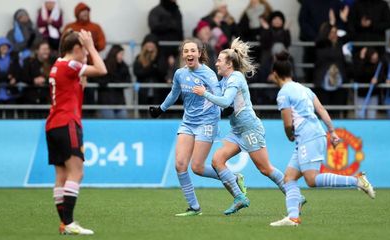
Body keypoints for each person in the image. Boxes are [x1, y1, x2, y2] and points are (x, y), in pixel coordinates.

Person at [192, 38, 300, 215]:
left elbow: (225, 101)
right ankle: (239, 197)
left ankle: (294, 195)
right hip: (237, 130)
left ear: (229, 64)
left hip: (249, 128)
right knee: (217, 160)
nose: (216, 63)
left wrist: (205, 94)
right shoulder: (224, 79)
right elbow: (216, 94)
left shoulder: (236, 78)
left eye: (219, 60)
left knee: (265, 168)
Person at [268, 51, 375, 227]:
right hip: (314, 134)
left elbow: (288, 124)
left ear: (275, 74)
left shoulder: (283, 93)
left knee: (311, 179)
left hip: (308, 137)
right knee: (289, 177)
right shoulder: (304, 89)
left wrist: (289, 136)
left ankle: (357, 180)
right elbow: (321, 110)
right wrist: (332, 131)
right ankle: (293, 217)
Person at [148, 38, 225, 216]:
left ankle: (230, 177)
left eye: (192, 50)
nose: (189, 54)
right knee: (180, 164)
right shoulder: (179, 74)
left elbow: (219, 93)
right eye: (186, 51)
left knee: (197, 167)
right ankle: (194, 207)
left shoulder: (209, 74)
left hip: (207, 121)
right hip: (188, 122)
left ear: (199, 53)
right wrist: (161, 109)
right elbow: (174, 94)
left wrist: (223, 106)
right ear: (182, 55)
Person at [46, 29, 107, 234]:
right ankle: (70, 223)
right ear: (76, 49)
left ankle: (64, 223)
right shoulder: (71, 64)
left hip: (53, 124)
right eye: (85, 50)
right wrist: (91, 47)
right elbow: (101, 69)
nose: (87, 55)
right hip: (67, 123)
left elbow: (76, 87)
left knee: (61, 175)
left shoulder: (57, 65)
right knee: (76, 172)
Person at [97, 44, 131, 119]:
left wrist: (116, 82)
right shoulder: (104, 64)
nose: (122, 57)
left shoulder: (123, 66)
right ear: (114, 53)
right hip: (106, 101)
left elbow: (128, 81)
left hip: (119, 102)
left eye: (123, 54)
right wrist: (114, 80)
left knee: (123, 122)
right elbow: (100, 80)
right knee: (108, 124)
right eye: (121, 54)